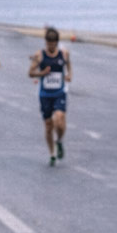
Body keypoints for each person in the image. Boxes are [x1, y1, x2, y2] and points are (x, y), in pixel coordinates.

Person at [28, 27, 73, 166]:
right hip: (45, 94)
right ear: (45, 42)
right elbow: (30, 73)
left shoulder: (64, 54)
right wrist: (42, 73)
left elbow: (68, 64)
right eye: (49, 43)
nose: (51, 46)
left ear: (57, 42)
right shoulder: (40, 55)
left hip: (59, 92)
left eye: (53, 43)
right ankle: (52, 154)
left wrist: (69, 74)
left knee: (59, 119)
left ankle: (59, 141)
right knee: (48, 126)